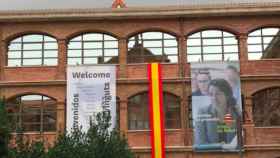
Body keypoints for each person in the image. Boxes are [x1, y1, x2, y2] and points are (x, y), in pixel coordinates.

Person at [194, 79, 241, 151]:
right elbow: (200, 144)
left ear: (227, 95)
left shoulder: (235, 113)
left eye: (218, 94)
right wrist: (221, 146)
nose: (214, 98)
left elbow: (241, 141)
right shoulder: (203, 112)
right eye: (211, 94)